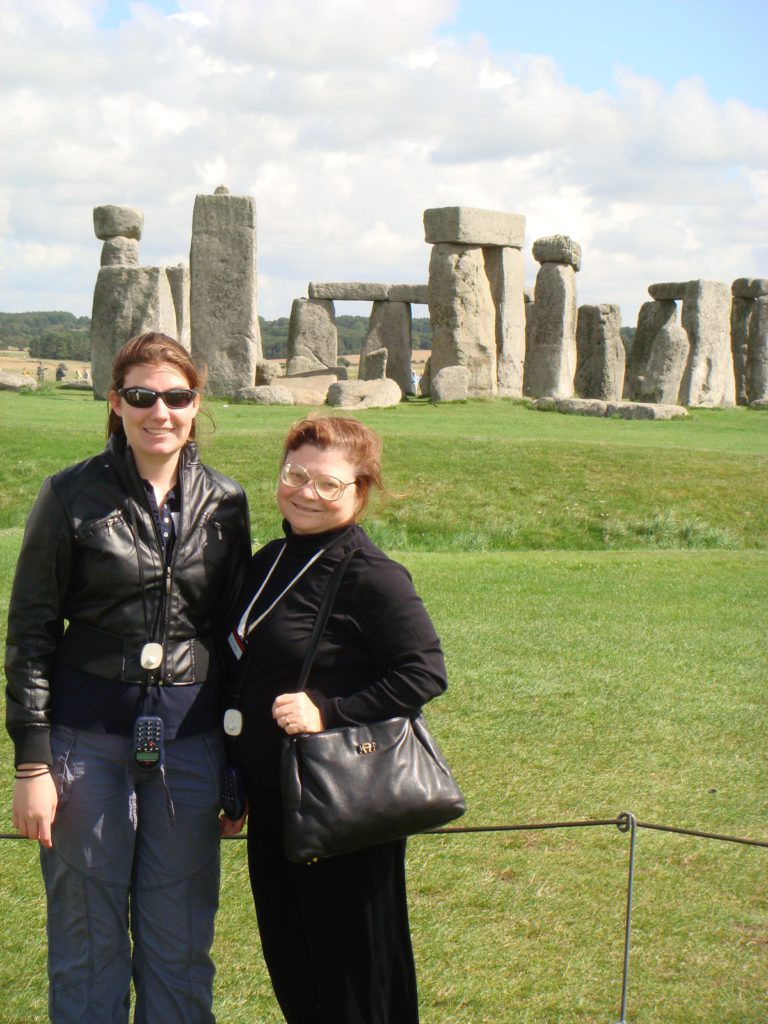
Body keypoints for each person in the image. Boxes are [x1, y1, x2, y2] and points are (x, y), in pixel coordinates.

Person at [5, 332, 251, 1024]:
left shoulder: (226, 504)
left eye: (177, 396)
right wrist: (31, 762)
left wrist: (237, 761)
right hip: (86, 741)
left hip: (191, 743)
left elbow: (232, 640)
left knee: (180, 942)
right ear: (116, 403)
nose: (160, 412)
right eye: (142, 396)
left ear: (196, 404)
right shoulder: (70, 496)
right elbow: (29, 635)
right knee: (88, 938)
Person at [224, 414, 448, 1024]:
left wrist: (328, 711)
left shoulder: (371, 576)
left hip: (340, 805)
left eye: (328, 484)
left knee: (353, 978)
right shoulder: (269, 558)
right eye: (295, 475)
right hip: (275, 800)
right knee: (296, 970)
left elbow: (423, 673)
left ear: (361, 490)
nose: (306, 492)